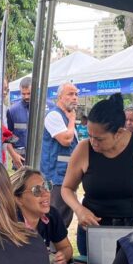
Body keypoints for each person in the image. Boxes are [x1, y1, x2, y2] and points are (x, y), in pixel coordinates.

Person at [62, 93, 133, 256]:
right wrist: (79, 210)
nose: (93, 142)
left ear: (119, 133)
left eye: (100, 139)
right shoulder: (83, 149)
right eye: (90, 136)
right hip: (93, 231)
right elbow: (66, 188)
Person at [10, 167, 73, 264]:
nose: (46, 193)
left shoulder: (52, 215)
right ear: (18, 199)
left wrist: (63, 256)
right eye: (36, 190)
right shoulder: (9, 222)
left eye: (46, 186)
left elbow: (66, 247)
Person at [41, 82, 80, 227]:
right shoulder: (53, 115)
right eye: (70, 94)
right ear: (60, 97)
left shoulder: (66, 116)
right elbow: (66, 140)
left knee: (65, 217)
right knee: (56, 218)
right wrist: (71, 121)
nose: (75, 98)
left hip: (66, 175)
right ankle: (51, 248)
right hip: (55, 177)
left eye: (76, 94)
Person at [6, 76, 31, 160]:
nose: (26, 96)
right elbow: (7, 136)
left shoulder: (45, 108)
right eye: (23, 94)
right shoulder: (12, 110)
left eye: (29, 93)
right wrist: (14, 155)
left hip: (40, 159)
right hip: (20, 159)